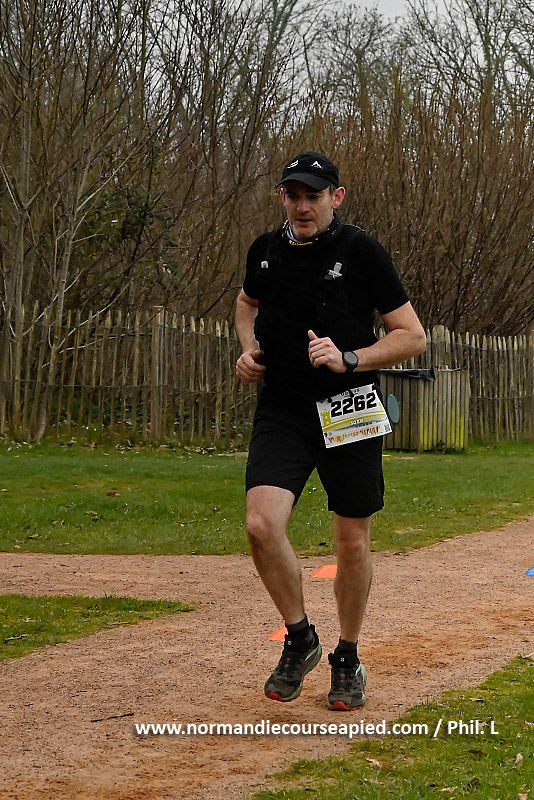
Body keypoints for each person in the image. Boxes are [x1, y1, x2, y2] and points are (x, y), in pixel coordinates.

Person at [235, 151, 426, 710]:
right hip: (284, 409)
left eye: (313, 196)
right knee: (261, 523)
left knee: (351, 541)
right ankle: (300, 639)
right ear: (282, 198)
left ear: (335, 198)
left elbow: (412, 335)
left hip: (348, 407)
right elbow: (245, 303)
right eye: (292, 195)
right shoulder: (266, 250)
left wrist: (350, 358)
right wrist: (248, 349)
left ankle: (347, 656)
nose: (302, 206)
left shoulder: (362, 252)